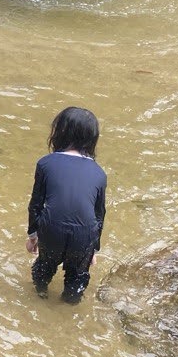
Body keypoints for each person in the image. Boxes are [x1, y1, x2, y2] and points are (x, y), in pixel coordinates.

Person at [25, 106, 107, 304]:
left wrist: (33, 236)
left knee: (44, 266)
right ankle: (69, 303)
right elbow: (99, 214)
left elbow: (36, 204)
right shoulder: (99, 173)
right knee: (77, 276)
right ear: (92, 139)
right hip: (85, 232)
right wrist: (92, 250)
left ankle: (41, 294)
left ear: (59, 133)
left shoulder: (45, 163)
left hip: (52, 228)